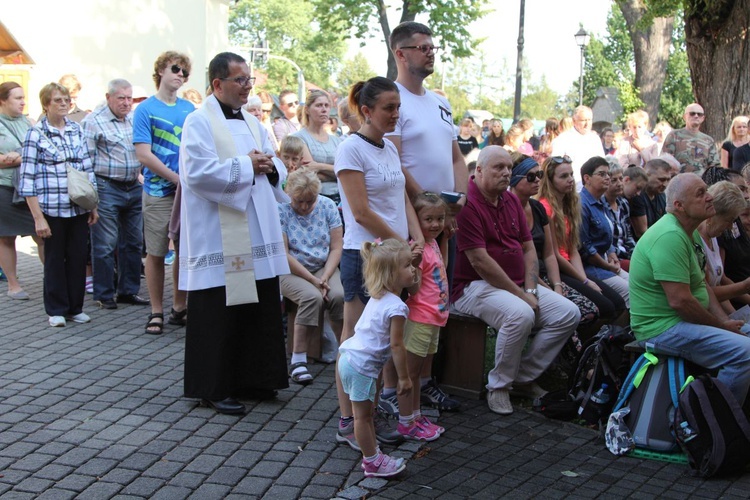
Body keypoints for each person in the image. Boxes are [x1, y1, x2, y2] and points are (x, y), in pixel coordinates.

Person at [178, 51, 290, 415]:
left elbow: (275, 167)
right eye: (240, 80)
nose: (247, 88)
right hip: (219, 234)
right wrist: (247, 165)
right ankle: (212, 386)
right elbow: (197, 173)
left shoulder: (253, 122)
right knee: (218, 311)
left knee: (257, 305)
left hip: (256, 231)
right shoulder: (199, 122)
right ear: (217, 84)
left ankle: (254, 378)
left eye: (249, 81)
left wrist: (269, 168)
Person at [452, 146, 580, 415]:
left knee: (568, 313)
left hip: (516, 283)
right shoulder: (469, 204)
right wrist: (522, 295)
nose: (506, 173)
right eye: (498, 168)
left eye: (508, 168)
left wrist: (531, 288)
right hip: (472, 286)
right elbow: (480, 262)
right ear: (478, 171)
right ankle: (498, 386)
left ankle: (521, 377)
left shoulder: (510, 200)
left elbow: (528, 248)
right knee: (520, 314)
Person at [383, 20, 468, 414]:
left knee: (435, 302)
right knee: (405, 306)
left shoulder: (440, 101)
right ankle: (394, 389)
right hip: (411, 222)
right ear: (400, 54)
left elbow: (455, 157)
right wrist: (431, 207)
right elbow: (395, 162)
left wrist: (460, 200)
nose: (430, 52)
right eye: (422, 47)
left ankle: (427, 383)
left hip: (443, 220)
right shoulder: (392, 98)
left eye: (433, 46)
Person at [334, 76, 424, 450]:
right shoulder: (350, 149)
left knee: (384, 337)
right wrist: (401, 243)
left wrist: (417, 239)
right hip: (365, 254)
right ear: (366, 111)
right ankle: (348, 420)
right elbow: (360, 211)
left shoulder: (387, 148)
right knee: (355, 340)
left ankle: (366, 417)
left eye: (398, 107)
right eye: (389, 108)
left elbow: (402, 198)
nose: (395, 114)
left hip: (394, 253)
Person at [629, 173, 750, 405]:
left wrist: (725, 322)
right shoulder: (670, 236)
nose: (709, 197)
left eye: (707, 190)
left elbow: (702, 287)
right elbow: (681, 302)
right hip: (660, 328)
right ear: (679, 206)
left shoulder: (690, 231)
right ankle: (716, 421)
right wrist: (721, 326)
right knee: (745, 352)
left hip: (680, 322)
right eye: (700, 193)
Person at [19, 83, 99, 327]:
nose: (64, 104)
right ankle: (56, 309)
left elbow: (87, 168)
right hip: (51, 207)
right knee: (54, 259)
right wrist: (38, 217)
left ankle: (75, 307)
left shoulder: (76, 129)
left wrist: (92, 205)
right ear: (46, 104)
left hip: (77, 206)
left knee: (77, 257)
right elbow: (27, 178)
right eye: (57, 100)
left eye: (66, 100)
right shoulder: (36, 134)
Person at [337, 239, 416, 478]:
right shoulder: (397, 307)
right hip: (361, 367)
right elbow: (396, 345)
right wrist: (403, 378)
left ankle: (374, 455)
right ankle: (372, 462)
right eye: (407, 265)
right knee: (362, 417)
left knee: (366, 414)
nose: (413, 269)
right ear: (391, 274)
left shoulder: (378, 296)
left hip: (351, 359)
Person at [133, 51, 195, 335]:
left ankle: (179, 307)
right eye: (175, 68)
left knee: (184, 251)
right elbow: (144, 155)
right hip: (158, 192)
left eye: (185, 71)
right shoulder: (145, 109)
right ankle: (156, 310)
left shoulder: (191, 110)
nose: (180, 74)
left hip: (188, 192)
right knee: (156, 252)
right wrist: (176, 178)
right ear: (160, 70)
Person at [510, 154, 599, 336]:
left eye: (539, 175)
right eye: (530, 176)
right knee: (583, 311)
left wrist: (557, 286)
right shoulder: (510, 210)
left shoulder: (537, 208)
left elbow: (550, 253)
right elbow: (524, 257)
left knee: (602, 307)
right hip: (528, 277)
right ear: (514, 179)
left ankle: (578, 357)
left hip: (549, 274)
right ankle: (555, 360)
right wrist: (547, 288)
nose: (536, 180)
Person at [383, 192, 450, 432]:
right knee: (410, 374)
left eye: (440, 218)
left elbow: (442, 270)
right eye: (428, 219)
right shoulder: (417, 249)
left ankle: (416, 415)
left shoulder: (432, 244)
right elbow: (414, 288)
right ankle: (406, 422)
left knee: (420, 372)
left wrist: (445, 241)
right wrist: (413, 263)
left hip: (433, 319)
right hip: (420, 318)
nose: (435, 224)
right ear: (415, 221)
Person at [82, 79, 148, 310]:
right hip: (106, 187)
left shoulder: (134, 119)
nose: (127, 103)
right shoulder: (93, 121)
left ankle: (128, 291)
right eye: (121, 98)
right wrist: (92, 198)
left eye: (129, 98)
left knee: (134, 242)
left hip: (133, 185)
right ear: (108, 97)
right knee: (105, 244)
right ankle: (104, 293)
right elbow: (86, 162)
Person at [537, 155, 627, 323]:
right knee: (605, 307)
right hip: (556, 269)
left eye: (571, 174)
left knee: (617, 303)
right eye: (564, 176)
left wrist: (583, 279)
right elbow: (555, 254)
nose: (570, 179)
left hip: (573, 266)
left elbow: (573, 249)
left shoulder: (570, 204)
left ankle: (606, 346)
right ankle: (588, 348)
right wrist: (584, 281)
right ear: (550, 180)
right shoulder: (545, 207)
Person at [279, 168, 344, 384]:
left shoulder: (327, 205)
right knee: (311, 297)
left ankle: (345, 353)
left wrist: (324, 276)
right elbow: (283, 254)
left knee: (338, 295)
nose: (305, 207)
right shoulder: (281, 209)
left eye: (310, 201)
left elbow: (337, 247)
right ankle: (298, 360)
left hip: (323, 267)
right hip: (290, 270)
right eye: (299, 201)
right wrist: (313, 280)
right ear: (289, 194)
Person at [0, 82, 44, 300]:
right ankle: (13, 284)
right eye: (17, 98)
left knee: (42, 233)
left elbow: (40, 150)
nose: (23, 101)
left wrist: (16, 157)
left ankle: (52, 278)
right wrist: (20, 157)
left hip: (30, 187)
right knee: (6, 237)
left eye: (23, 97)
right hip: (4, 186)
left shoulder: (29, 122)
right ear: (3, 101)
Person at [579, 157, 630, 307]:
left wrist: (613, 253)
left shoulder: (601, 201)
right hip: (591, 267)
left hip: (605, 261)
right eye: (601, 174)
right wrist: (608, 266)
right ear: (587, 178)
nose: (607, 178)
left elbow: (608, 236)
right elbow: (585, 247)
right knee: (629, 292)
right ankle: (622, 330)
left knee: (640, 286)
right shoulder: (582, 204)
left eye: (608, 174)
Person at [695, 181, 750, 316]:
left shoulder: (713, 237)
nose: (731, 226)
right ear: (714, 215)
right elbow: (706, 294)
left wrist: (735, 318)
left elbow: (720, 280)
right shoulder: (696, 241)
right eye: (729, 220)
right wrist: (744, 286)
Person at [291, 90, 342, 204]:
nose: (324, 109)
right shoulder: (299, 138)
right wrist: (335, 172)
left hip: (338, 198)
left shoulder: (337, 141)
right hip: (311, 199)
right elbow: (308, 171)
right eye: (319, 105)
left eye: (326, 105)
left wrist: (319, 166)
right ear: (308, 110)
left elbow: (345, 171)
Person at [661, 103, 720, 174]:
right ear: (684, 117)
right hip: (678, 181)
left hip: (701, 183)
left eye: (699, 114)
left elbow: (714, 167)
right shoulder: (674, 136)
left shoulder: (708, 140)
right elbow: (664, 161)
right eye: (692, 113)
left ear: (703, 118)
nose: (696, 116)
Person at [551, 106, 602, 186]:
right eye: (583, 120)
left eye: (589, 120)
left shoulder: (595, 139)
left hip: (593, 187)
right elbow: (555, 165)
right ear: (574, 121)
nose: (587, 124)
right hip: (572, 186)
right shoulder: (562, 139)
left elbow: (601, 162)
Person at [603, 164, 637, 270]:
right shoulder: (600, 205)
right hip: (613, 257)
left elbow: (628, 235)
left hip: (626, 253)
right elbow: (606, 242)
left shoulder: (623, 203)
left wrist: (636, 253)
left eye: (621, 178)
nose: (619, 184)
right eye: (614, 180)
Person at [629, 158, 672, 239]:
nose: (665, 184)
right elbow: (642, 233)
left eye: (668, 179)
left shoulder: (661, 195)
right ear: (647, 175)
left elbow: (667, 224)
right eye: (661, 180)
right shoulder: (637, 195)